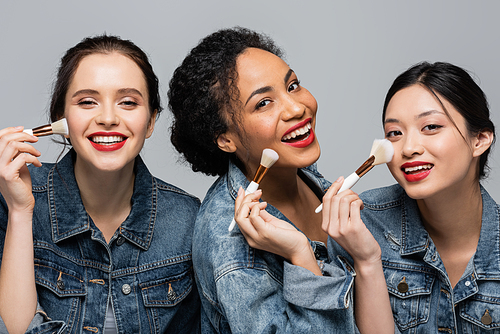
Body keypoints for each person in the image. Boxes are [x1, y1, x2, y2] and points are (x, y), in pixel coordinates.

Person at [0, 35, 201, 334]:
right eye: (87, 102)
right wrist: (19, 211)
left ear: (150, 122)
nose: (108, 118)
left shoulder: (189, 221)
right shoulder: (10, 198)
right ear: (61, 119)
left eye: (128, 102)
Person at [168, 27, 360, 333]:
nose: (297, 108)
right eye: (263, 103)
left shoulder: (302, 176)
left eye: (293, 85)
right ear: (226, 139)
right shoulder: (230, 246)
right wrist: (301, 256)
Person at [325, 61, 496, 333]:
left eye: (430, 127)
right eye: (394, 133)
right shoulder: (361, 224)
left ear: (480, 140)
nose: (408, 148)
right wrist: (367, 261)